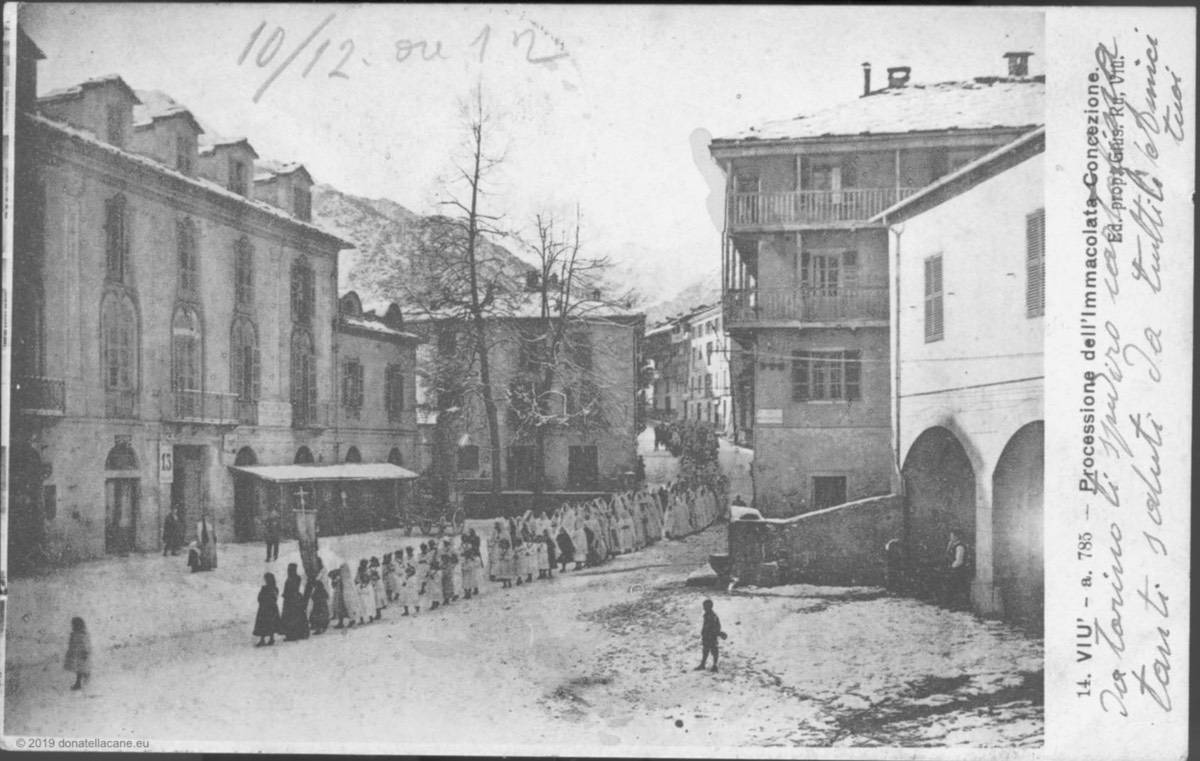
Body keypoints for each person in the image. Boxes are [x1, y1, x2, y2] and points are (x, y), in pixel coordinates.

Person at [694, 599, 727, 673]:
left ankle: (715, 665)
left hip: (711, 636)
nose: (704, 608)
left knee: (714, 651)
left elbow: (716, 627)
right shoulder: (707, 615)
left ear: (710, 607)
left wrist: (718, 633)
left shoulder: (713, 616)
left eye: (705, 606)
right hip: (706, 636)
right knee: (705, 650)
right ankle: (703, 665)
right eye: (704, 606)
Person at [942, 529, 972, 610]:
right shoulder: (952, 544)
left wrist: (952, 567)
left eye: (952, 536)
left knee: (957, 587)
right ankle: (948, 604)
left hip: (958, 570)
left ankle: (957, 605)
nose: (951, 537)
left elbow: (959, 560)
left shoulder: (960, 546)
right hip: (952, 569)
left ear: (957, 536)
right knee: (950, 587)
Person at [280, 563, 309, 641]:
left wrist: (285, 594)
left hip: (290, 600)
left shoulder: (291, 578)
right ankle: (298, 633)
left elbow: (290, 589)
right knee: (297, 617)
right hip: (295, 599)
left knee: (291, 618)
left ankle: (292, 635)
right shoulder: (297, 577)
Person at [64, 616, 92, 690]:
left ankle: (79, 682)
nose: (73, 626)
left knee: (80, 669)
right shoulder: (74, 634)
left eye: (74, 624)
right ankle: (82, 678)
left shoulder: (82, 634)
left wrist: (85, 652)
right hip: (76, 655)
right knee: (78, 669)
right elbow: (72, 644)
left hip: (81, 654)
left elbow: (85, 644)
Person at [254, 572, 280, 646]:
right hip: (272, 609)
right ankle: (272, 638)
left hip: (264, 609)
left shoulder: (265, 588)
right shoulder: (275, 588)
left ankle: (262, 640)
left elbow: (259, 598)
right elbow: (275, 598)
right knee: (271, 624)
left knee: (263, 624)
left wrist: (263, 601)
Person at [307, 568, 331, 635]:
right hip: (323, 607)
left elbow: (313, 597)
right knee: (322, 617)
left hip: (318, 607)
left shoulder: (317, 590)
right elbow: (327, 596)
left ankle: (319, 629)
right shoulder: (322, 590)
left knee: (318, 617)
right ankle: (322, 628)